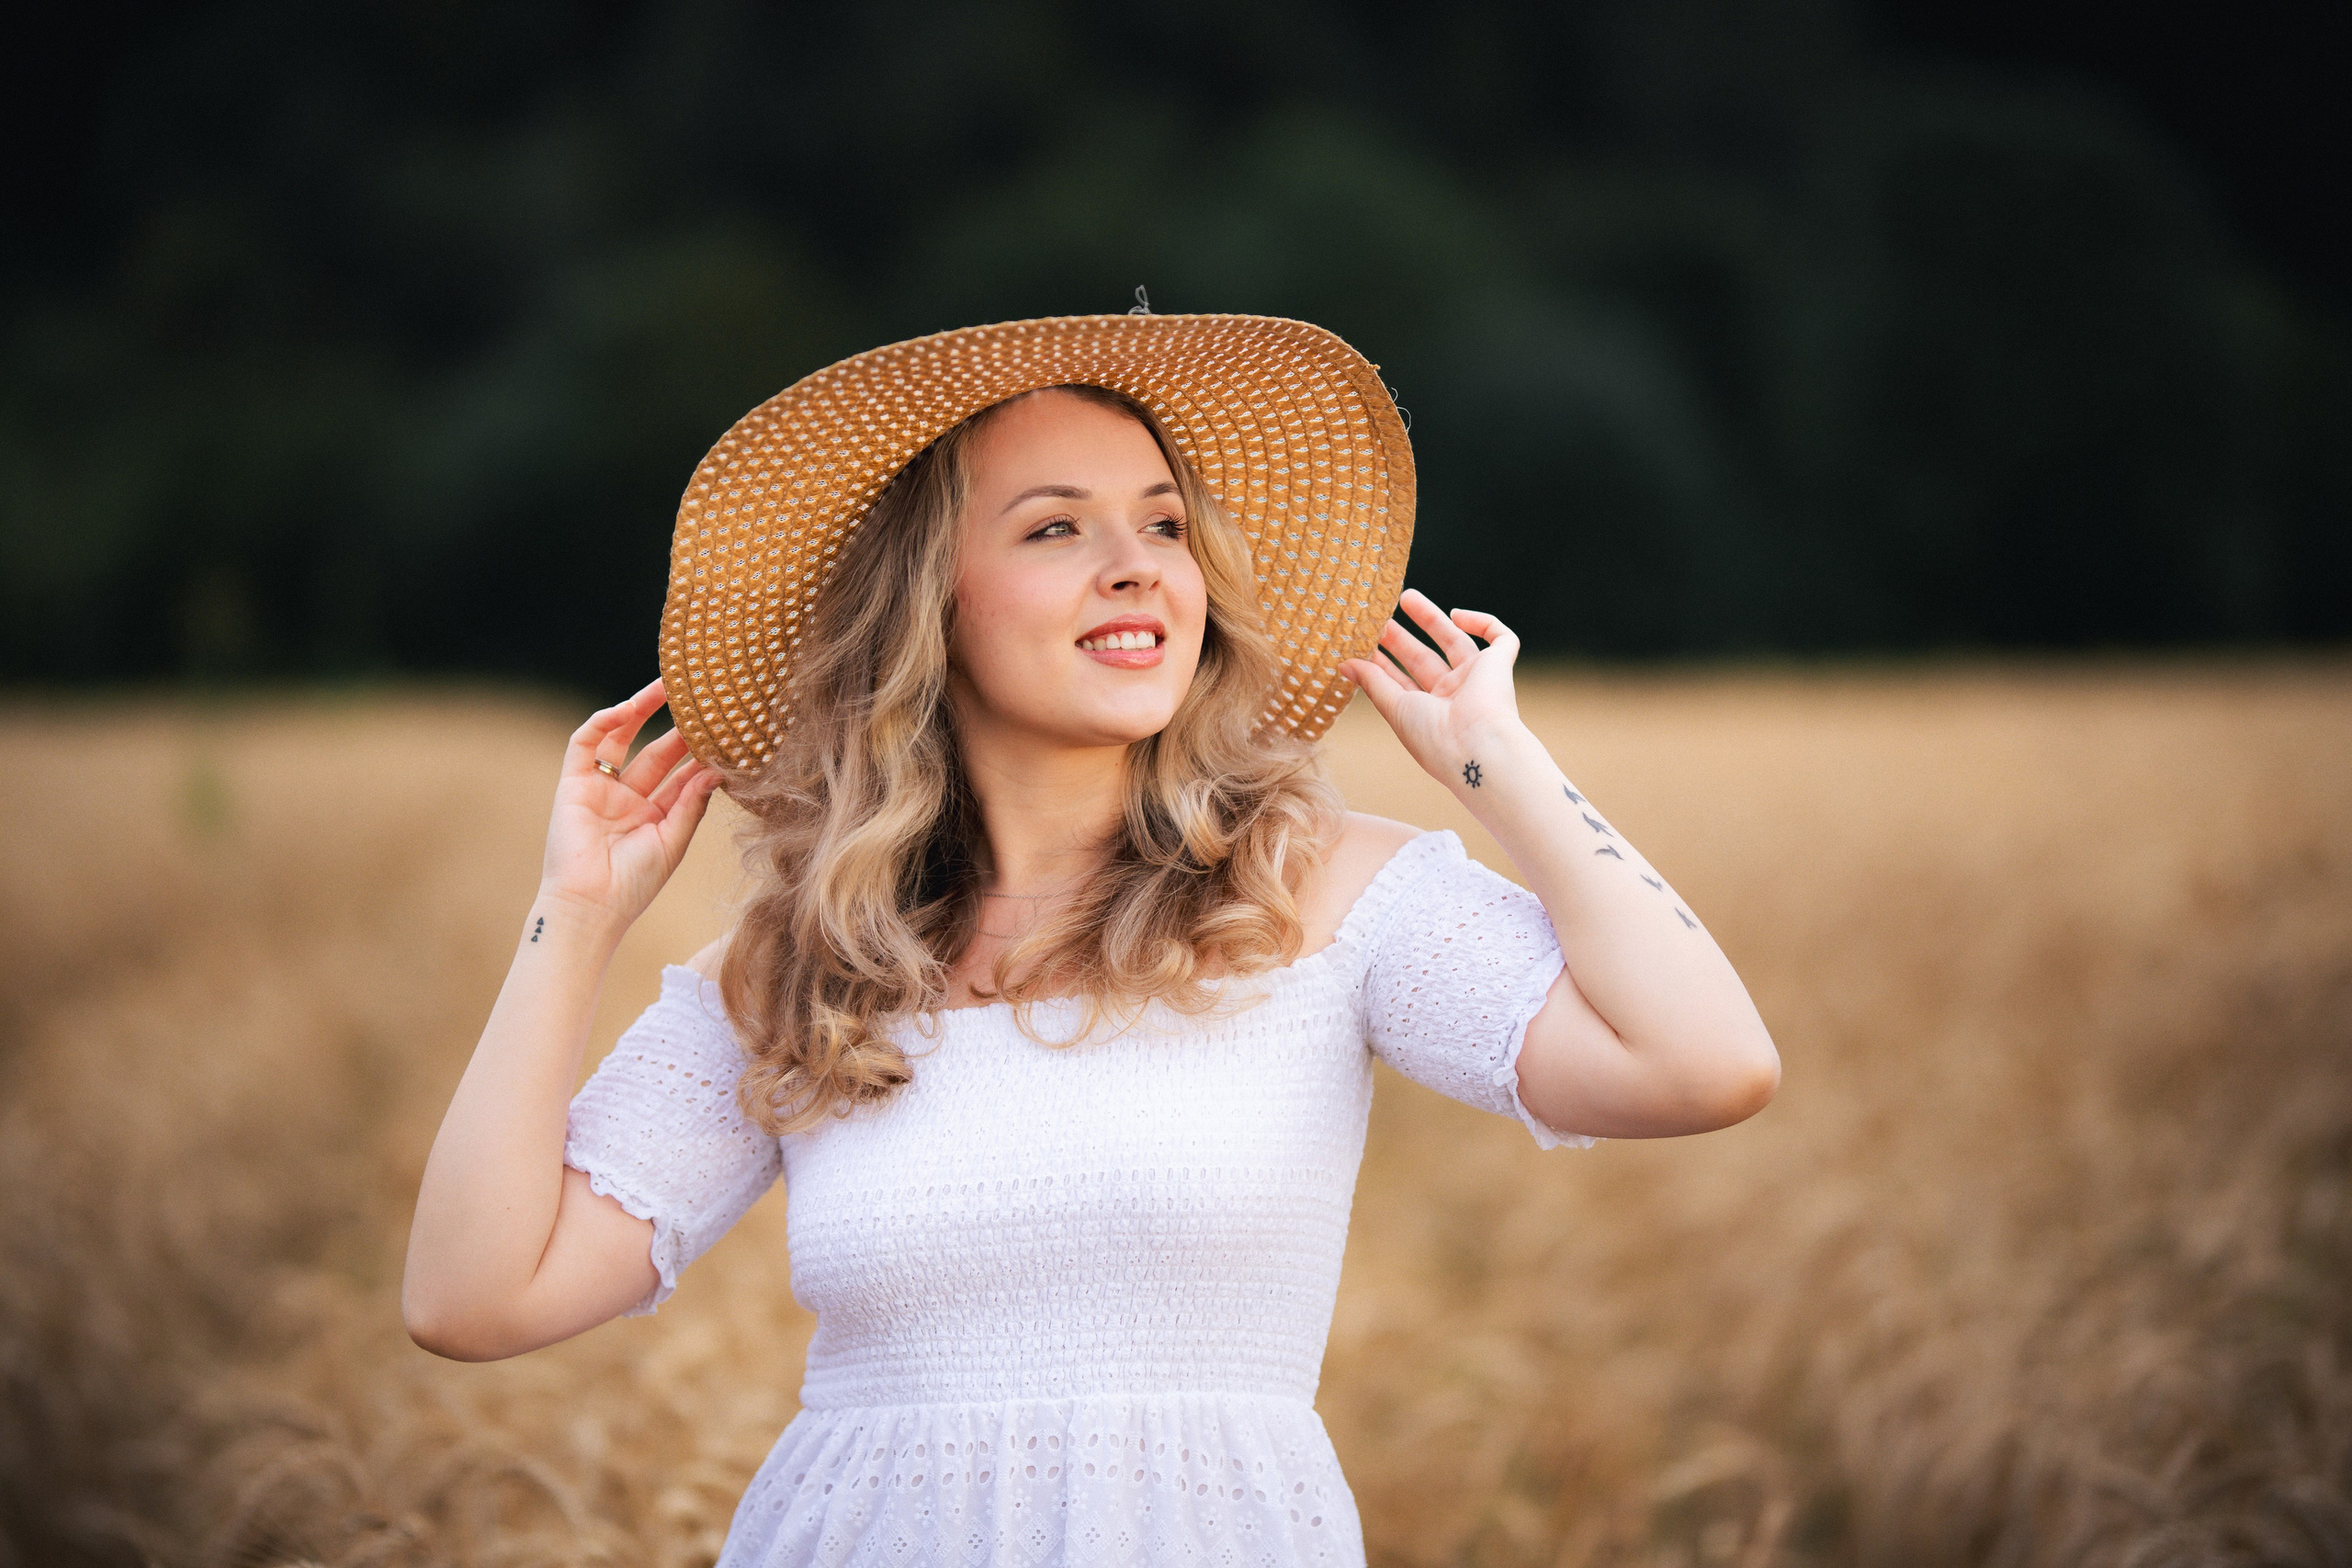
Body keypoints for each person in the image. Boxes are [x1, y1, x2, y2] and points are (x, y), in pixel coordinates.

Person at [401, 313, 1779, 1566]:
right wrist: (573, 918)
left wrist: (1498, 765)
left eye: (1166, 525)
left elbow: (1706, 1065)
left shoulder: (1325, 896)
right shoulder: (809, 968)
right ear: (932, 599)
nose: (1136, 571)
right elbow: (473, 1297)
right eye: (1056, 529)